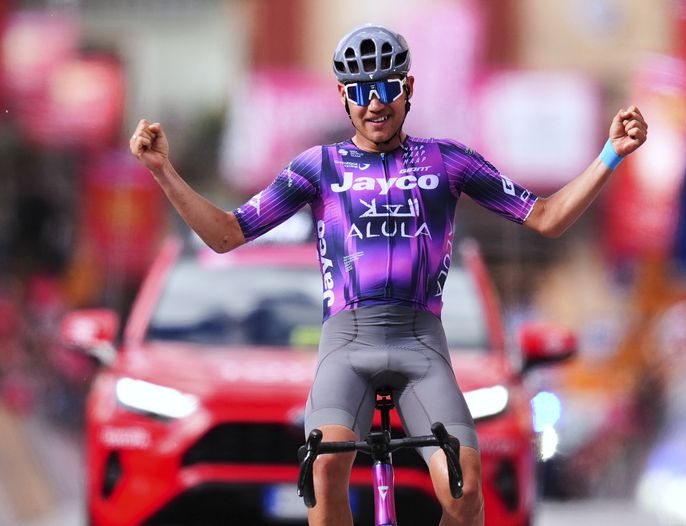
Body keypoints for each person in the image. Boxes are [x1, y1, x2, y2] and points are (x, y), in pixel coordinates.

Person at [130, 23, 647, 526]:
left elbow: (547, 217)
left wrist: (610, 155)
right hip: (346, 344)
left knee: (465, 490)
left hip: (421, 345)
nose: (375, 102)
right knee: (327, 469)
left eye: (387, 86)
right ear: (343, 95)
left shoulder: (448, 161)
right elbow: (225, 234)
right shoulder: (319, 167)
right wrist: (162, 170)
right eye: (361, 90)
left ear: (409, 88)